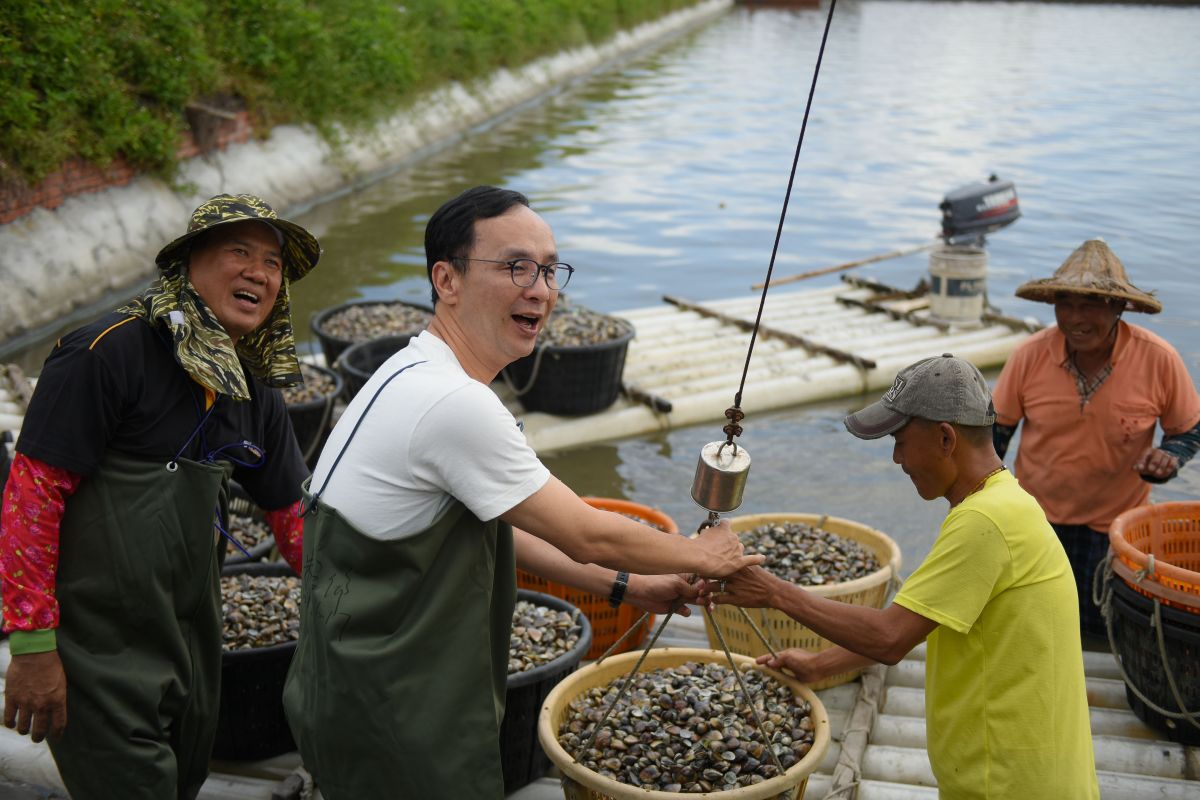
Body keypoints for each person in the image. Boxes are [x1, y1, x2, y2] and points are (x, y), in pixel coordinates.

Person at [282, 185, 762, 800]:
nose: (541, 288)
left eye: (548, 269)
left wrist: (629, 586)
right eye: (514, 267)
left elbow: (497, 529)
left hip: (341, 692)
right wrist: (704, 555)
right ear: (446, 280)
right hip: (399, 721)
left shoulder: (407, 368)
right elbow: (584, 532)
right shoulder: (453, 403)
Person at [0, 194, 317, 799]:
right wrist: (34, 649)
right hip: (97, 648)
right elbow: (30, 499)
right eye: (239, 252)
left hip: (192, 642)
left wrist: (358, 608)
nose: (260, 272)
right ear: (189, 263)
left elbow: (294, 515)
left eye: (273, 262)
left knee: (183, 782)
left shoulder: (251, 386)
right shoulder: (105, 352)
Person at [703, 354, 1099, 797]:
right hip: (1022, 771)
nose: (896, 458)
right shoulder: (1003, 503)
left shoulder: (985, 522)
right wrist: (821, 664)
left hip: (1010, 782)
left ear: (946, 438)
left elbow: (890, 638)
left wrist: (772, 591)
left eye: (900, 441)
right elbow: (924, 621)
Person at [991, 239, 1200, 642]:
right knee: (1030, 624)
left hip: (1114, 527)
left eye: (1091, 305)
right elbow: (994, 436)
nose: (1075, 318)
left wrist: (1168, 459)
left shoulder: (1158, 359)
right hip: (1037, 519)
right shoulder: (1029, 355)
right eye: (1065, 304)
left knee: (1099, 628)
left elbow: (1188, 429)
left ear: (1119, 308)